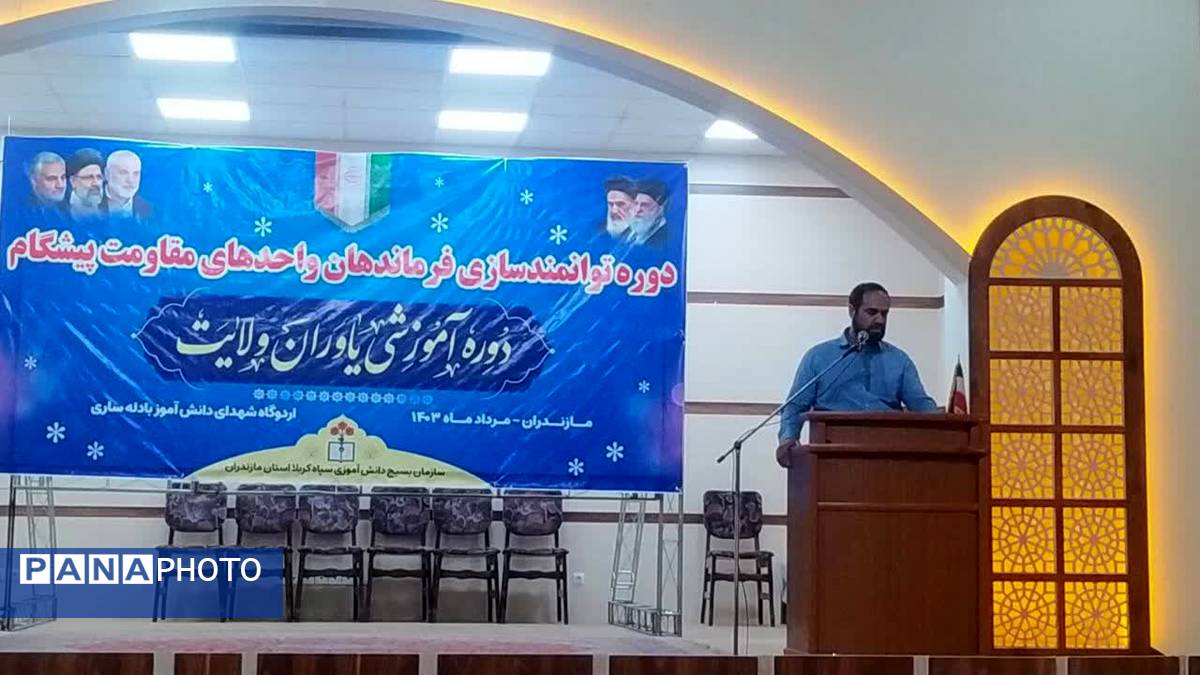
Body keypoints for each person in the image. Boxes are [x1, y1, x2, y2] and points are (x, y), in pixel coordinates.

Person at [775, 282, 938, 463]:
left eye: (884, 314)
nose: (880, 320)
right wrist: (788, 439)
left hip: (888, 457)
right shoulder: (819, 357)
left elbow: (921, 405)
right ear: (852, 311)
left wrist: (947, 425)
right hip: (830, 457)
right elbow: (795, 406)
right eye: (872, 312)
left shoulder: (899, 360)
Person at [101, 149, 153, 221]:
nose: (131, 180)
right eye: (123, 173)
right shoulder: (89, 204)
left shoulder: (149, 209)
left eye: (136, 173)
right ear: (107, 174)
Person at [64, 148, 105, 220]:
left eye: (99, 177)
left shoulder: (111, 210)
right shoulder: (61, 212)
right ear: (73, 181)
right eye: (89, 177)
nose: (96, 183)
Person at [629, 179, 668, 246]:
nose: (638, 210)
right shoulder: (630, 234)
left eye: (645, 205)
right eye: (635, 204)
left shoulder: (665, 239)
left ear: (660, 209)